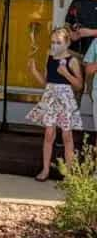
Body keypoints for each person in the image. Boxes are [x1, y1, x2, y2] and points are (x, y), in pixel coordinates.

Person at [26, 27, 83, 182]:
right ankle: (45, 169)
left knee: (67, 136)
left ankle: (69, 172)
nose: (54, 46)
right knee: (49, 134)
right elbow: (46, 82)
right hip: (50, 98)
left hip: (65, 100)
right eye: (52, 42)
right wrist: (34, 71)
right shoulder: (49, 58)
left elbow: (79, 85)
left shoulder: (72, 61)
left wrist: (66, 73)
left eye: (58, 43)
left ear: (67, 43)